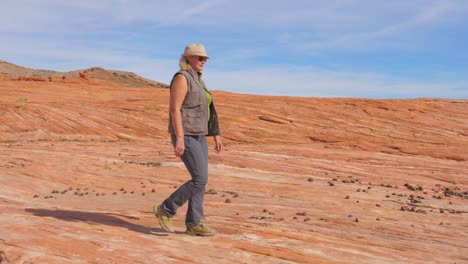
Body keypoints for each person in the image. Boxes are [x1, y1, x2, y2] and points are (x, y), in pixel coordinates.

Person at [153, 43, 223, 236]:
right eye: (200, 58)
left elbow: (209, 109)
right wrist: (180, 138)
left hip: (199, 134)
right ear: (189, 58)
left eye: (205, 59)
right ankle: (165, 209)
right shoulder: (182, 78)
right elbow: (175, 109)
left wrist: (215, 134)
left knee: (201, 180)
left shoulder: (199, 80)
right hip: (187, 135)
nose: (203, 62)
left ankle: (194, 222)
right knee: (200, 179)